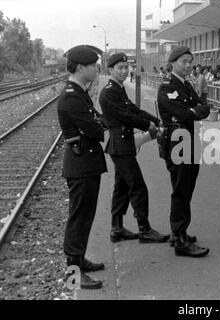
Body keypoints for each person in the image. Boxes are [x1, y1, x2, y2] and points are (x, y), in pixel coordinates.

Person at [99, 53, 169, 244]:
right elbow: (126, 116)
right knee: (138, 187)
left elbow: (134, 110)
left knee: (121, 187)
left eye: (126, 67)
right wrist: (149, 126)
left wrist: (156, 120)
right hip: (120, 145)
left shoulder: (118, 89)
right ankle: (144, 229)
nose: (124, 71)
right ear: (110, 69)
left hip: (123, 144)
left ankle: (117, 228)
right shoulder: (109, 92)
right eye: (120, 68)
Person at [57, 45, 107, 290]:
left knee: (86, 216)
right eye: (93, 65)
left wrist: (99, 123)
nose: (97, 68)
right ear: (80, 67)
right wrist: (98, 125)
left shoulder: (79, 92)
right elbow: (96, 129)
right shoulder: (71, 96)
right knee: (79, 218)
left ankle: (79, 260)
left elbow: (97, 120)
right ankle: (72, 274)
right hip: (81, 164)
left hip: (86, 162)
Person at [157, 46, 211, 257]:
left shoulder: (185, 85)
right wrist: (193, 112)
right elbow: (182, 112)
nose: (188, 65)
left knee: (187, 187)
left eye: (190, 61)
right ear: (172, 63)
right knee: (181, 189)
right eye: (184, 62)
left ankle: (179, 231)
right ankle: (179, 239)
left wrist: (193, 112)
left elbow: (203, 107)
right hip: (178, 142)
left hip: (188, 140)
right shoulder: (168, 87)